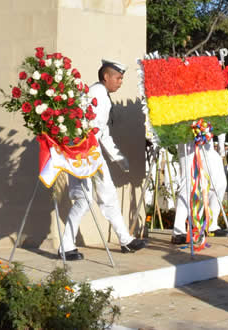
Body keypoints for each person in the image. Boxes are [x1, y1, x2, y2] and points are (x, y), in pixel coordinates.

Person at [61, 60, 146, 260]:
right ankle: (65, 246)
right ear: (106, 77)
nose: (120, 82)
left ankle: (125, 240)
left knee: (108, 195)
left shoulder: (102, 96)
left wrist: (117, 157)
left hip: (93, 151)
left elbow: (102, 131)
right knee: (84, 199)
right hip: (82, 152)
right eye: (118, 78)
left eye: (122, 78)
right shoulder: (94, 94)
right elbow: (85, 127)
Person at [170, 139, 228, 244]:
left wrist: (221, 146)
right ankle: (178, 231)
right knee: (187, 184)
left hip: (206, 142)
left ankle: (211, 225)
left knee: (219, 183)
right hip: (187, 140)